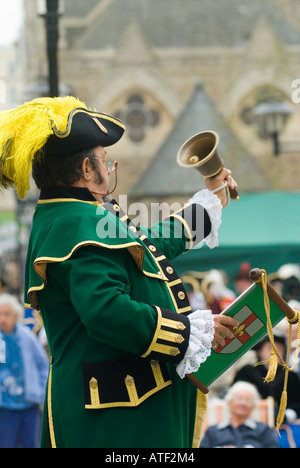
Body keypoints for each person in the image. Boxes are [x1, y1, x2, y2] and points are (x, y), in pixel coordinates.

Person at [0, 96, 238, 448]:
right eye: (103, 160)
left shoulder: (72, 214)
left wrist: (205, 207)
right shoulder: (77, 220)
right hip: (115, 416)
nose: (108, 168)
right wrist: (189, 331)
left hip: (121, 406)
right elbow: (106, 312)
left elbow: (144, 248)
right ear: (85, 170)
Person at [0, 294, 49, 448]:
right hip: (5, 406)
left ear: (16, 316)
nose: (2, 319)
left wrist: (42, 390)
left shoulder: (27, 336)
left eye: (6, 314)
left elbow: (43, 365)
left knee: (32, 444)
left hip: (30, 403)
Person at [234, 332, 300, 421]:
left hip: (283, 424)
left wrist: (286, 415)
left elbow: (297, 402)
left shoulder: (290, 376)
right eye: (270, 348)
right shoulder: (247, 372)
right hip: (250, 418)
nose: (275, 353)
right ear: (260, 351)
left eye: (279, 349)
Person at [200, 381, 279, 448]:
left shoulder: (263, 430)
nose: (243, 403)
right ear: (229, 402)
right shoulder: (213, 431)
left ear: (253, 406)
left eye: (248, 400)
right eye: (239, 398)